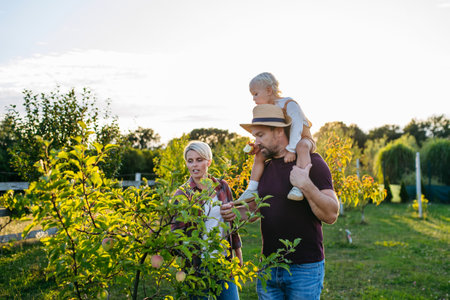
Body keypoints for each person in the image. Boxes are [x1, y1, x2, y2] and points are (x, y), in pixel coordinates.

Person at [221, 105, 339, 300]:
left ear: (278, 131)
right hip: (268, 266)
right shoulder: (264, 168)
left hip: (305, 268)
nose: (255, 141)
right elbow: (253, 209)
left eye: (260, 135)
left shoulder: (313, 163)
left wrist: (306, 184)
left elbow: (332, 214)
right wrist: (232, 213)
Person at [172, 141, 242, 300]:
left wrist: (238, 254)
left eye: (199, 160)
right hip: (196, 265)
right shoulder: (182, 195)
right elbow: (176, 234)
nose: (194, 165)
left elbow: (232, 223)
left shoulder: (222, 187)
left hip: (223, 262)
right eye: (190, 161)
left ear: (208, 162)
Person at [238, 72, 316, 202]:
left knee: (302, 147)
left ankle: (299, 186)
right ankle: (251, 189)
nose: (253, 99)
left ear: (269, 90)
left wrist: (291, 149)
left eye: (255, 94)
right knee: (260, 155)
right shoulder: (270, 110)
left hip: (303, 139)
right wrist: (257, 145)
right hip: (286, 143)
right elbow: (269, 135)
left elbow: (297, 127)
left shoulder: (289, 104)